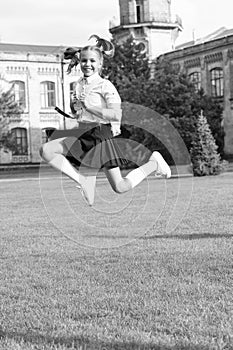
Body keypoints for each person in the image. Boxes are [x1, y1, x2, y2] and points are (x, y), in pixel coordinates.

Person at [39, 35, 171, 206]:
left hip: (99, 135)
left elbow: (116, 114)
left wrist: (89, 107)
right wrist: (76, 108)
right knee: (46, 151)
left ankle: (153, 164)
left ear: (100, 64)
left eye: (92, 61)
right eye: (84, 60)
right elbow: (80, 111)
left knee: (120, 186)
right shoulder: (79, 84)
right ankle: (82, 180)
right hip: (83, 131)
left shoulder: (105, 85)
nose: (87, 64)